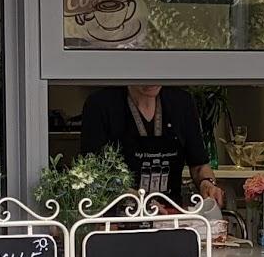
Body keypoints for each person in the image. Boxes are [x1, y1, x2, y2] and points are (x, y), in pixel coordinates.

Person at [80, 85, 224, 208]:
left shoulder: (182, 102)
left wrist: (208, 184)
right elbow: (93, 175)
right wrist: (136, 200)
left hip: (170, 215)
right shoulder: (101, 104)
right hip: (120, 217)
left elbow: (199, 166)